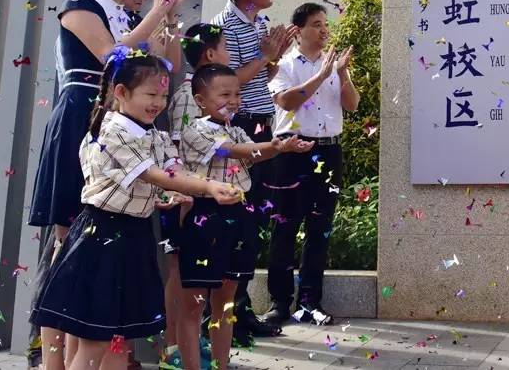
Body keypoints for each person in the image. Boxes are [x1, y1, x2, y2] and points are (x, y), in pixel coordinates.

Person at [28, 0, 188, 370]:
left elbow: (164, 68)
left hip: (122, 124)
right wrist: (156, 12)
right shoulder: (79, 5)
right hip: (82, 117)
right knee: (70, 249)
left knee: (106, 250)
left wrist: (168, 19)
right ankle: (52, 360)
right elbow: (113, 57)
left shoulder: (132, 15)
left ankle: (94, 357)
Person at [29, 49, 242, 370]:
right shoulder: (111, 131)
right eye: (151, 94)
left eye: (164, 95)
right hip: (102, 237)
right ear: (121, 92)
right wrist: (208, 187)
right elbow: (153, 173)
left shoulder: (152, 133)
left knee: (119, 340)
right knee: (95, 340)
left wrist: (178, 191)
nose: (158, 103)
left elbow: (172, 169)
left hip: (136, 236)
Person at [177, 64, 314, 370]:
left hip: (240, 216)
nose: (233, 100)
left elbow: (252, 150)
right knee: (194, 304)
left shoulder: (236, 128)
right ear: (200, 100)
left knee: (226, 303)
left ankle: (221, 365)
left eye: (237, 93)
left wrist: (281, 148)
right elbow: (232, 151)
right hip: (207, 217)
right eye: (224, 94)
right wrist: (275, 145)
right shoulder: (195, 131)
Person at [211, 0, 296, 340]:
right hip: (239, 127)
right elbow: (228, 83)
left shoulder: (259, 22)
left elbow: (266, 75)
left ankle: (240, 311)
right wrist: (265, 56)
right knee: (235, 220)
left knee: (253, 221)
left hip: (263, 124)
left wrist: (274, 57)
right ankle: (224, 316)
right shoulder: (225, 25)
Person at [261, 3, 360, 326]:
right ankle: (279, 302)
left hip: (329, 152)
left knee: (320, 230)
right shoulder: (285, 65)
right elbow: (286, 101)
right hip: (293, 152)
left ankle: (310, 302)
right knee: (285, 227)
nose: (323, 30)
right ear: (299, 30)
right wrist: (322, 74)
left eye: (324, 24)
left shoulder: (333, 66)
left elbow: (353, 105)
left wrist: (341, 73)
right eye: (316, 24)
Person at [160, 24, 232, 367]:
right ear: (210, 55)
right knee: (180, 272)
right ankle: (173, 346)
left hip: (205, 200)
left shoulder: (215, 97)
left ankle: (190, 342)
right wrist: (185, 195)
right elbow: (179, 152)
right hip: (187, 199)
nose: (230, 55)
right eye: (226, 48)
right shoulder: (190, 96)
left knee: (197, 279)